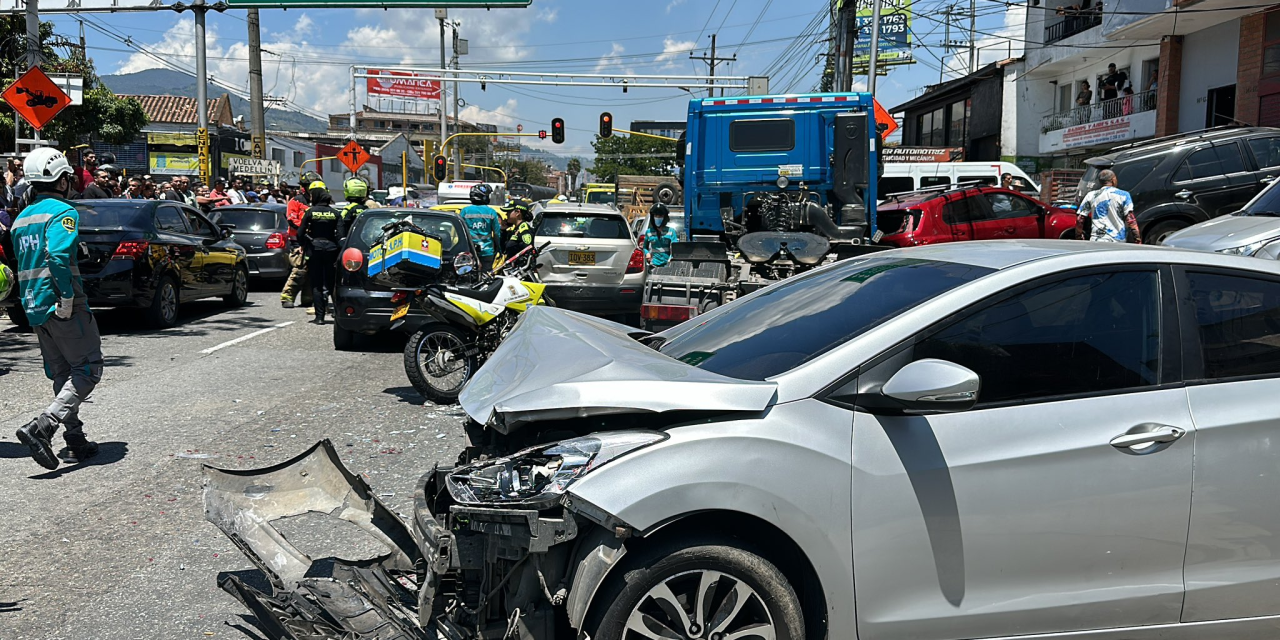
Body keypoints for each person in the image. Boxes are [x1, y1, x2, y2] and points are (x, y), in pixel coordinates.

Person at [11, 147, 104, 469]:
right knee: (88, 369)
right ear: (61, 179)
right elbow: (58, 256)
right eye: (69, 177)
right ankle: (44, 425)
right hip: (61, 301)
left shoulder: (21, 219)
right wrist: (66, 298)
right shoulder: (62, 211)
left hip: (33, 305)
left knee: (63, 373)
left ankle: (75, 439)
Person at [297, 180, 340, 324]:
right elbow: (341, 236)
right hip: (331, 250)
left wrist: (304, 243)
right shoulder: (335, 213)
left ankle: (320, 317)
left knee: (316, 284)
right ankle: (338, 315)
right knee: (332, 283)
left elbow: (300, 233)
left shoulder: (310, 212)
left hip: (314, 250)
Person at [1076, 169, 1141, 243]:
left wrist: (1079, 237)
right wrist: (1138, 240)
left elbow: (1080, 219)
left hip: (1096, 240)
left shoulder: (1091, 195)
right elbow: (1131, 221)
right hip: (1117, 241)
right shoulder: (1124, 195)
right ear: (1113, 180)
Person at [280, 174, 315, 309]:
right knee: (299, 269)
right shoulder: (296, 201)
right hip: (298, 241)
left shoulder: (315, 202)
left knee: (311, 270)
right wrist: (305, 229)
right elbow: (292, 220)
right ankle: (287, 296)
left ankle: (308, 297)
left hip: (313, 241)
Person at [461, 184, 503, 270]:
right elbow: (497, 233)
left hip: (469, 251)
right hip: (487, 251)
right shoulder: (491, 212)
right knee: (486, 277)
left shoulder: (465, 211)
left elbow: (459, 231)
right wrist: (498, 247)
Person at [642, 203, 679, 268]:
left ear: (665, 217)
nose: (658, 218)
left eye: (660, 216)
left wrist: (670, 260)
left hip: (667, 265)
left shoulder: (671, 231)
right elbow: (645, 247)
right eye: (656, 215)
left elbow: (675, 249)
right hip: (653, 265)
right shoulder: (649, 232)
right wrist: (647, 253)